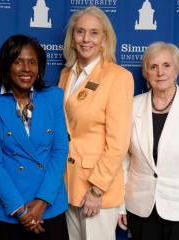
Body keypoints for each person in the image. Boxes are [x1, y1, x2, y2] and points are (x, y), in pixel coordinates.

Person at [118, 42, 179, 240]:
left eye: (166, 65)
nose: (160, 72)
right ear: (146, 72)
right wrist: (120, 205)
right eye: (153, 67)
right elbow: (124, 162)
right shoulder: (132, 106)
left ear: (178, 69)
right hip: (140, 209)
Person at [0, 34, 69, 240]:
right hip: (10, 211)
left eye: (32, 62)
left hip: (49, 208)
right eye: (18, 62)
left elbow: (59, 151)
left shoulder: (53, 97)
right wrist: (20, 211)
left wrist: (42, 202)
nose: (26, 68)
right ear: (6, 66)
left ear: (40, 67)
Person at [58, 6, 134, 240]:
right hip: (67, 185)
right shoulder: (66, 74)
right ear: (73, 38)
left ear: (104, 38)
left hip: (95, 188)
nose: (85, 39)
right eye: (80, 32)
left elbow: (118, 142)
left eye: (93, 33)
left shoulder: (118, 77)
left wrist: (97, 188)